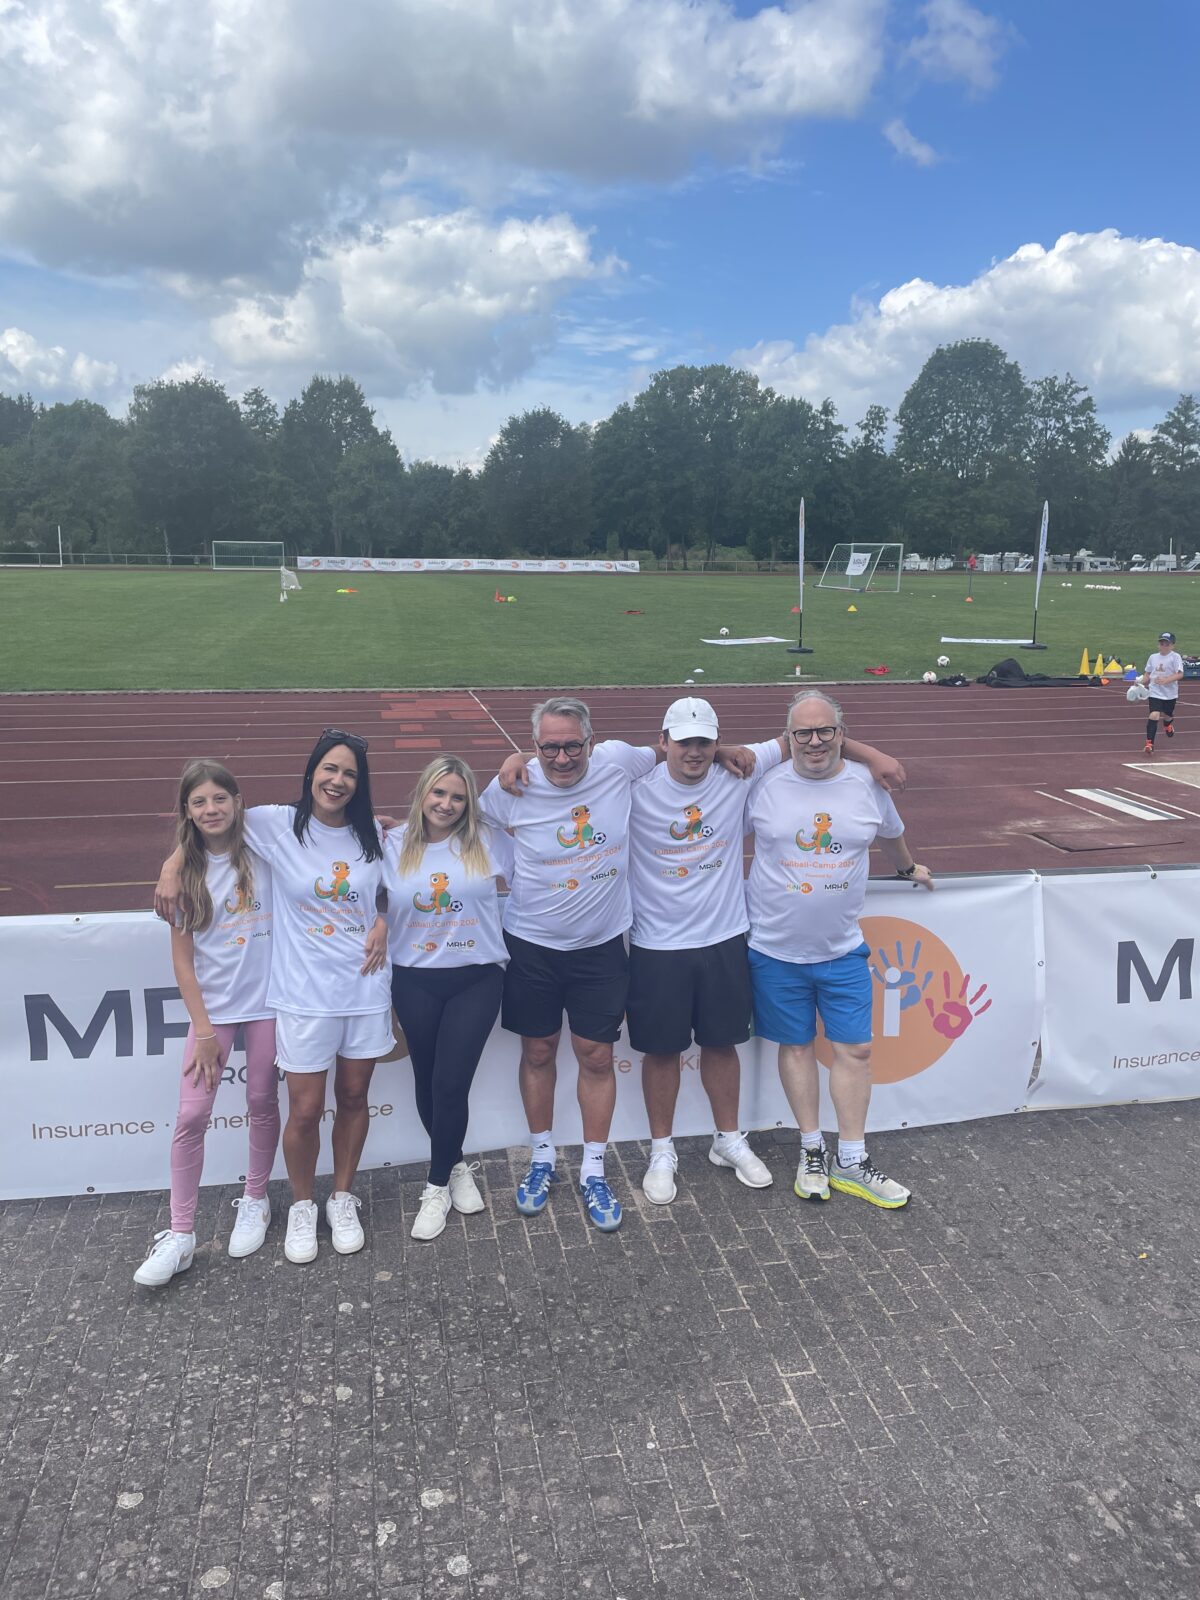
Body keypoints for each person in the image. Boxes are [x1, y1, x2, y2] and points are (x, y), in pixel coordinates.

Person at [628, 696, 906, 1204]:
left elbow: (805, 737)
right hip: (656, 942)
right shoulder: (632, 785)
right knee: (663, 1051)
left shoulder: (739, 775)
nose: (694, 751)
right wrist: (520, 762)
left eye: (704, 742)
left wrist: (874, 756)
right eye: (683, 741)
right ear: (663, 741)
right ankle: (662, 1150)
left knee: (721, 1045)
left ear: (718, 743)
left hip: (726, 936)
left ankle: (728, 1140)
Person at [156, 730, 390, 1264]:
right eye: (329, 769)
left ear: (360, 783)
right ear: (311, 775)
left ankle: (342, 1197)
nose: (338, 780)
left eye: (349, 773)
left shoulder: (376, 833)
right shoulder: (275, 824)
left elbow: (401, 882)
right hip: (304, 994)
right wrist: (172, 863)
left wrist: (383, 917)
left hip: (366, 987)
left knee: (354, 1097)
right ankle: (303, 1207)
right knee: (304, 1109)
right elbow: (210, 823)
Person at [746, 690, 932, 1210]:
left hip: (843, 949)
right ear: (786, 739)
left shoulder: (867, 787)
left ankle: (851, 1159)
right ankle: (811, 1150)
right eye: (802, 732)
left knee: (856, 1051)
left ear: (841, 734)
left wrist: (905, 869)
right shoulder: (763, 786)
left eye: (825, 730)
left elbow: (893, 837)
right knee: (798, 1047)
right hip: (774, 949)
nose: (814, 741)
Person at [135, 760, 279, 1287]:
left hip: (268, 1005)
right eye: (199, 802)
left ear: (238, 801)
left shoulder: (266, 850)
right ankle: (180, 1235)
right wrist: (201, 1030)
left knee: (262, 1100)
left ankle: (256, 1198)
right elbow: (182, 961)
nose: (211, 809)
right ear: (187, 812)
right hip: (213, 1015)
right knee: (192, 1116)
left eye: (220, 798)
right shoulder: (185, 875)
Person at [384, 756, 513, 1242]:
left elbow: (534, 882)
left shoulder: (488, 842)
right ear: (421, 795)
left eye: (458, 797)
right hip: (414, 978)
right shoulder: (388, 844)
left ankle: (435, 1188)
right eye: (439, 794)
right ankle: (456, 1166)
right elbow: (358, 895)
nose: (447, 804)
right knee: (426, 1077)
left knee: (451, 1081)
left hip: (476, 978)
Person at [1140, 631, 1183, 753]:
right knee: (1154, 714)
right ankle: (1149, 744)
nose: (1163, 646)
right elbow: (1148, 673)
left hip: (1170, 693)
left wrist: (1166, 680)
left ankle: (1167, 724)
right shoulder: (1153, 657)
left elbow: (1180, 674)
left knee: (1168, 715)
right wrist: (1140, 683)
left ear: (1172, 645)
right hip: (1155, 691)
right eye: (1161, 643)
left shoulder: (1175, 657)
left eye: (1166, 644)